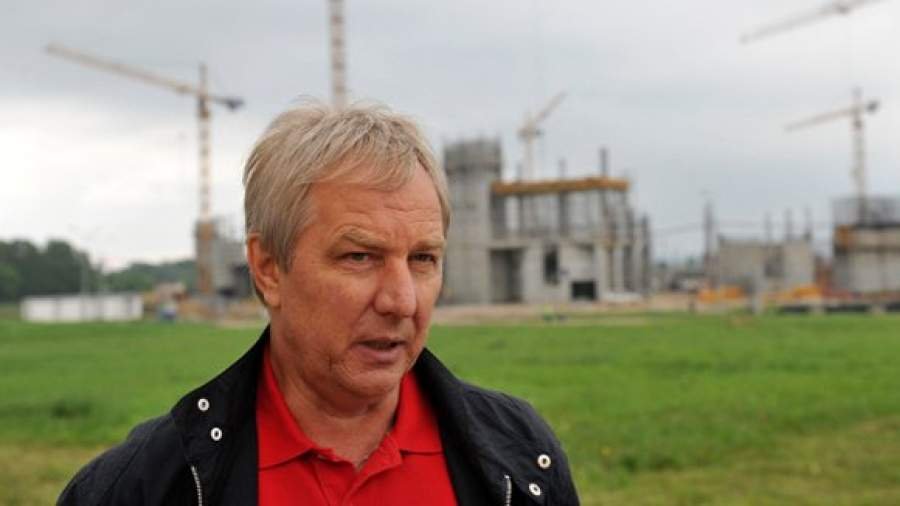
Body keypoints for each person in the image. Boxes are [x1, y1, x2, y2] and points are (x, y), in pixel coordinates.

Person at [58, 101, 579, 505]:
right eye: (360, 257)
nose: (401, 301)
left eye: (423, 258)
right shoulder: (146, 485)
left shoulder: (519, 457)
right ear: (268, 267)